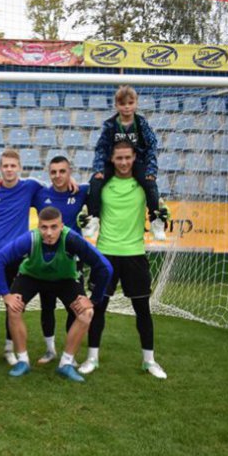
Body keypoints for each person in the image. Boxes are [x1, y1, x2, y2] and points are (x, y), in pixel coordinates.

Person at [0, 207, 113, 382]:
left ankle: (66, 363)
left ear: (62, 226)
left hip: (64, 279)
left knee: (86, 313)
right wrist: (5, 294)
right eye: (44, 227)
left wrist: (93, 299)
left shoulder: (72, 239)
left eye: (54, 227)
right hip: (31, 277)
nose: (48, 232)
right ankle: (23, 361)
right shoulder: (30, 239)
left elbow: (105, 267)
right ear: (38, 227)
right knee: (13, 308)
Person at [79, 140, 168, 379]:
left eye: (128, 157)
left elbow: (159, 206)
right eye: (119, 158)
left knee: (142, 311)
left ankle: (149, 361)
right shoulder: (102, 185)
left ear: (134, 158)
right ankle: (92, 358)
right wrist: (85, 219)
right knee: (98, 309)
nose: (124, 162)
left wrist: (163, 216)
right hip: (106, 253)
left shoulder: (144, 184)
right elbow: (87, 211)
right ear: (112, 159)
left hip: (135, 254)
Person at [0, 150, 44, 367]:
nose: (8, 170)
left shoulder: (30, 186)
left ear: (19, 167)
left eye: (12, 166)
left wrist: (72, 180)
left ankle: (8, 348)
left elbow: (55, 189)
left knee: (14, 304)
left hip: (17, 254)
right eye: (5, 166)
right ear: (0, 167)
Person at [86, 85, 166, 241]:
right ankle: (93, 218)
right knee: (95, 182)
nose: (127, 107)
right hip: (113, 162)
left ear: (136, 103)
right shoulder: (110, 124)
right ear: (116, 105)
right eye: (123, 104)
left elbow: (151, 146)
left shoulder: (141, 123)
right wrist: (99, 168)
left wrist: (151, 170)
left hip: (137, 161)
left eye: (130, 103)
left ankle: (156, 221)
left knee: (150, 185)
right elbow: (101, 148)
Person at [32, 155, 89, 364]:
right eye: (53, 172)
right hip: (46, 257)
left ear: (70, 172)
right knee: (47, 305)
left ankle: (69, 353)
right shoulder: (40, 194)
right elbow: (16, 188)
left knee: (74, 306)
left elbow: (98, 185)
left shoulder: (81, 191)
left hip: (72, 259)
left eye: (62, 171)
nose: (58, 176)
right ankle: (50, 350)